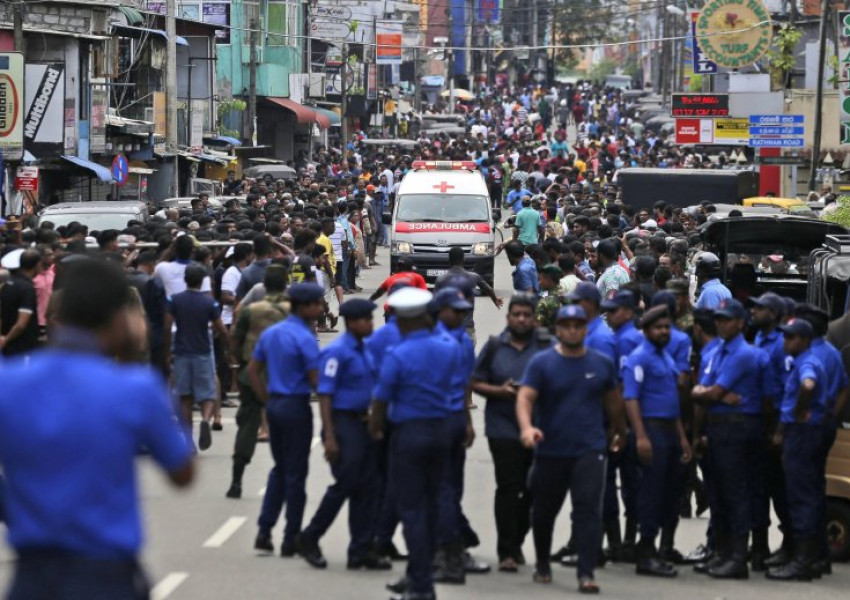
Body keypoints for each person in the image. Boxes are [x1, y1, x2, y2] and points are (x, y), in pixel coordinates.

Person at [0, 258, 194, 599]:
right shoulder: (135, 388)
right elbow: (182, 472)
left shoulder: (9, 382)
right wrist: (135, 357)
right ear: (120, 318)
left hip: (31, 575)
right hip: (106, 575)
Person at [517, 304, 627, 594]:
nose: (572, 330)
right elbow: (525, 398)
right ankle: (542, 562)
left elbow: (614, 401)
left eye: (578, 325)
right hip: (551, 449)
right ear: (558, 329)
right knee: (543, 511)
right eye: (566, 325)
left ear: (585, 328)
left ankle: (586, 572)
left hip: (589, 449)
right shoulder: (541, 363)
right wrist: (527, 428)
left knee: (588, 510)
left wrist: (621, 432)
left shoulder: (601, 363)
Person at [370, 287, 460, 600]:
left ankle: (421, 584)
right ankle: (424, 577)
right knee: (435, 504)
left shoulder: (400, 353)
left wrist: (376, 430)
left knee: (412, 511)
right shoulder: (449, 347)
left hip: (408, 434)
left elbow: (381, 400)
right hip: (442, 431)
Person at [297, 299, 392, 571]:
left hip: (364, 422)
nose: (371, 324)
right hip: (343, 422)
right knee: (347, 481)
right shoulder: (336, 352)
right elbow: (325, 394)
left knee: (369, 486)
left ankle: (360, 549)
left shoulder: (366, 350)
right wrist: (329, 435)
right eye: (366, 320)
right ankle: (310, 535)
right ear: (351, 322)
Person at [472, 293, 553, 572]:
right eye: (516, 314)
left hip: (539, 429)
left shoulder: (546, 347)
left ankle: (518, 539)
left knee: (535, 490)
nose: (521, 319)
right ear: (508, 318)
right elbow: (474, 381)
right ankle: (506, 550)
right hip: (502, 428)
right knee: (508, 488)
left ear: (534, 318)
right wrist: (500, 391)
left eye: (526, 315)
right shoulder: (495, 347)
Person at [691, 299, 770, 579]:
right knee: (721, 493)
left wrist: (706, 392)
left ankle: (737, 557)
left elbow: (709, 393)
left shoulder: (743, 354)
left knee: (735, 493)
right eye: (719, 319)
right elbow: (705, 390)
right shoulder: (717, 350)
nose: (721, 323)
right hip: (719, 426)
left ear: (740, 323)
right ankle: (723, 553)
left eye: (727, 319)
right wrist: (709, 393)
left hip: (737, 428)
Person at [249, 282, 323, 557]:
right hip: (296, 407)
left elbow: (254, 370)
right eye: (316, 303)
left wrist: (266, 399)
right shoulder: (304, 338)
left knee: (279, 469)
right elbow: (317, 380)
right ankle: (290, 536)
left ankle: (264, 530)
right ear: (305, 306)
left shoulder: (272, 333)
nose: (319, 308)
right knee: (296, 474)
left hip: (276, 405)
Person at [622, 305, 692, 578]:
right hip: (650, 431)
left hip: (670, 432)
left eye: (666, 327)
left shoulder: (665, 357)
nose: (664, 332)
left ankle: (656, 550)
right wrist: (640, 436)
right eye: (658, 327)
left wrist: (683, 439)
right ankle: (646, 552)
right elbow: (631, 399)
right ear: (647, 330)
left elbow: (672, 401)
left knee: (668, 493)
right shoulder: (639, 358)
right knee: (651, 493)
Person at [767, 317, 828, 581]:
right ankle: (809, 558)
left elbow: (808, 385)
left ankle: (802, 562)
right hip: (804, 433)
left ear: (804, 339)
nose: (785, 341)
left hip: (802, 434)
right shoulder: (803, 361)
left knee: (800, 496)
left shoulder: (808, 362)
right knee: (807, 495)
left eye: (790, 337)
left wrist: (799, 411)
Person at [431, 287, 485, 584]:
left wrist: (467, 419)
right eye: (456, 309)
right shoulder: (430, 339)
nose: (463, 313)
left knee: (450, 487)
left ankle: (451, 548)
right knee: (442, 489)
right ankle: (450, 550)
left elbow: (467, 381)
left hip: (453, 418)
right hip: (433, 420)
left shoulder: (463, 340)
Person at [226, 264, 290, 499]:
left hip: (251, 373)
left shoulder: (251, 310)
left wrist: (238, 363)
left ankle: (236, 480)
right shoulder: (293, 309)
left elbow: (235, 339)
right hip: (284, 376)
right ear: (285, 283)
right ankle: (287, 478)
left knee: (247, 426)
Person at [163, 264, 229, 451]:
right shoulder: (209, 303)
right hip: (203, 351)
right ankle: (206, 419)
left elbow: (167, 326)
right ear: (202, 282)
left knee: (185, 397)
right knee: (208, 393)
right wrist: (228, 348)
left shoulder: (173, 300)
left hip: (182, 352)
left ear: (185, 280)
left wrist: (167, 351)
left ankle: (188, 441)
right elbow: (221, 328)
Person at [434, 246, 503, 343]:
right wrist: (495, 299)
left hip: (448, 327)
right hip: (467, 327)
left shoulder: (441, 279)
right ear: (464, 259)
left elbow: (435, 303)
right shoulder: (474, 277)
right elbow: (488, 289)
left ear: (449, 260)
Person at [0, 249, 41, 358]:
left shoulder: (8, 284)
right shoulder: (27, 288)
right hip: (22, 347)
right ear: (37, 265)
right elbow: (21, 324)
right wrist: (6, 339)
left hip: (7, 347)